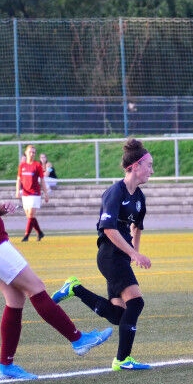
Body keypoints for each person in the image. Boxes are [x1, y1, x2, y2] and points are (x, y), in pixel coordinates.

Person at [0, 124, 112, 380]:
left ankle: (5, 366)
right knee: (36, 287)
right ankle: (78, 339)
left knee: (15, 299)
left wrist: (2, 207)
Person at [52, 138, 153, 371]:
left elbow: (137, 227)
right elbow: (108, 229)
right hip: (110, 255)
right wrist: (133, 254)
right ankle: (122, 360)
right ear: (135, 166)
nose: (152, 170)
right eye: (149, 165)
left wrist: (134, 253)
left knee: (118, 314)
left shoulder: (139, 197)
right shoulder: (115, 192)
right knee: (136, 303)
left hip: (121, 257)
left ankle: (75, 288)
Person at [16, 145, 49, 241]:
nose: (32, 154)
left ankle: (26, 236)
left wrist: (46, 193)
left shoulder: (37, 165)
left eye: (33, 152)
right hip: (25, 193)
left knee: (30, 215)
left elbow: (42, 180)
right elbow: (18, 179)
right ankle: (40, 232)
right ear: (26, 153)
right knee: (30, 216)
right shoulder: (22, 165)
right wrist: (17, 190)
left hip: (35, 193)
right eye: (30, 152)